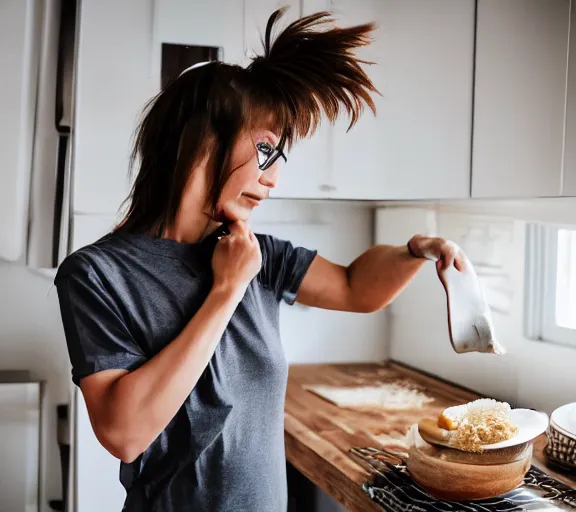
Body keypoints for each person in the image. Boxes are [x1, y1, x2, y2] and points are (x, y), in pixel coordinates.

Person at [54, 8, 465, 512]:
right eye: (265, 150)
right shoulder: (96, 274)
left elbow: (358, 288)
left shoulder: (256, 253)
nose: (273, 178)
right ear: (202, 139)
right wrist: (226, 292)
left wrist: (417, 250)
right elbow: (125, 433)